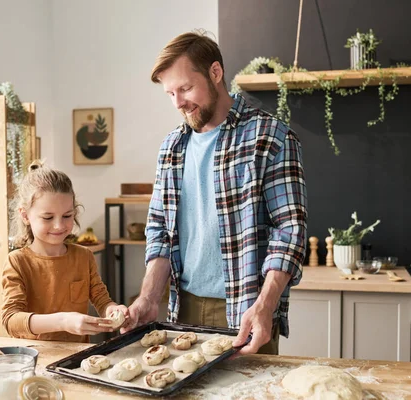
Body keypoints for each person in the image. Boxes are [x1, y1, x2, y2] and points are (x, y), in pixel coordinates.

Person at [121, 30, 308, 356]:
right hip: (184, 307)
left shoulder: (270, 137)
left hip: (247, 309)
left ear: (216, 73)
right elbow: (159, 231)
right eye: (170, 93)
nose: (178, 102)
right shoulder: (171, 147)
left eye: (185, 88)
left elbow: (289, 231)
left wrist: (266, 305)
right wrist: (149, 299)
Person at [2, 161, 128, 342]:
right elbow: (11, 320)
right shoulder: (17, 262)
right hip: (36, 357)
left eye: (67, 216)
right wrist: (62, 321)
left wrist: (113, 310)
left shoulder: (84, 256)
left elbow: (102, 300)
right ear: (25, 215)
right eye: (48, 217)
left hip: (77, 357)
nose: (59, 225)